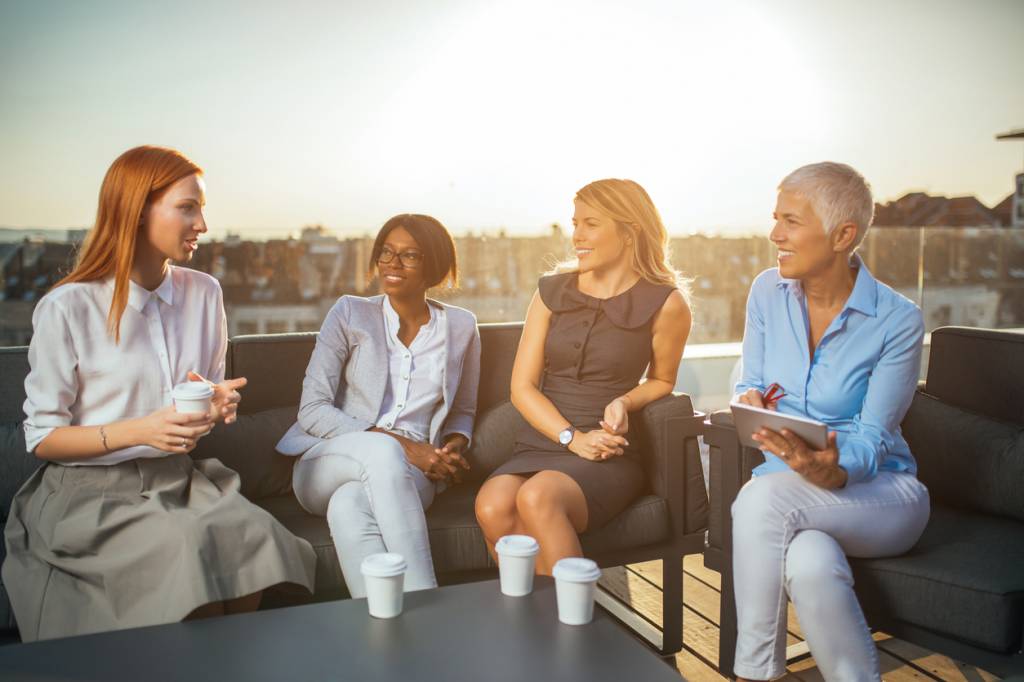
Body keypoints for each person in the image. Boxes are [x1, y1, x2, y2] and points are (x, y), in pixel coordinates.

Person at [2, 145, 316, 642]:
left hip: (178, 479)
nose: (203, 224)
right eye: (187, 207)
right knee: (189, 548)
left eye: (202, 208)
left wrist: (217, 406)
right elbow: (42, 438)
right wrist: (141, 430)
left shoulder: (205, 294)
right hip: (88, 494)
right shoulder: (66, 308)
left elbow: (202, 397)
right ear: (138, 209)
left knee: (256, 540)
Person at [730, 162, 929, 681]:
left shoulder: (897, 320)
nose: (775, 234)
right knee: (810, 564)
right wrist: (751, 398)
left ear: (842, 235)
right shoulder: (766, 293)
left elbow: (871, 440)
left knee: (759, 500)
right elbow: (750, 381)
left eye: (790, 221)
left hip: (881, 496)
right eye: (775, 218)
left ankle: (754, 675)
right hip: (791, 496)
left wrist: (832, 470)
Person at [474, 178, 692, 574]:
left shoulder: (667, 304)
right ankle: (537, 619)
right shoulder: (550, 293)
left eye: (591, 224)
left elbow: (663, 380)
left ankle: (572, 628)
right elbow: (521, 388)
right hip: (546, 439)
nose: (576, 236)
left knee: (538, 497)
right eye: (574, 223)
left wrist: (625, 400)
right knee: (491, 504)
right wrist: (571, 439)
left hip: (609, 451)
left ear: (629, 232)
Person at [277, 214, 480, 597]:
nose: (392, 263)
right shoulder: (350, 312)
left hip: (414, 472)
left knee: (349, 505)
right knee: (382, 451)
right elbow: (313, 409)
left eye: (409, 256)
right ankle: (429, 601)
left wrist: (454, 443)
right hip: (327, 460)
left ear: (433, 265)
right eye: (386, 252)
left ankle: (383, 629)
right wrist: (405, 447)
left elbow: (464, 409)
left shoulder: (462, 326)